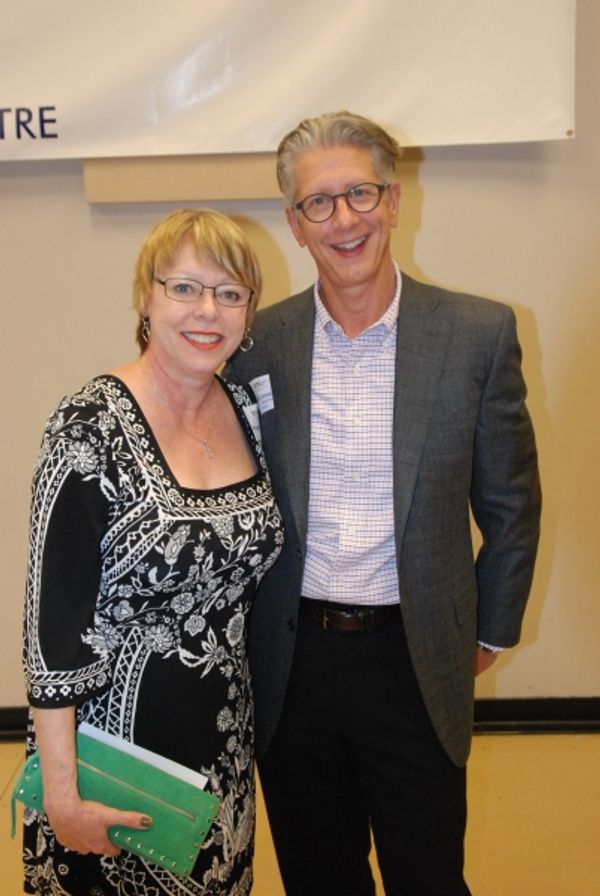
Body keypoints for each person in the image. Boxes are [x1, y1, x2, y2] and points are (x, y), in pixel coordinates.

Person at [225, 111, 541, 896]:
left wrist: (485, 634)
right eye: (318, 203)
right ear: (295, 224)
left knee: (428, 876)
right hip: (292, 661)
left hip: (415, 659)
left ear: (393, 201)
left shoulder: (476, 334)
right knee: (319, 877)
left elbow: (511, 504)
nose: (344, 220)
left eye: (359, 194)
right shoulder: (257, 344)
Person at [22, 208, 283, 895]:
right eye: (184, 288)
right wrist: (63, 794)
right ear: (146, 297)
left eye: (230, 293)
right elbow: (52, 627)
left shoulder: (245, 409)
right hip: (108, 758)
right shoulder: (88, 426)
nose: (208, 310)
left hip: (220, 750)